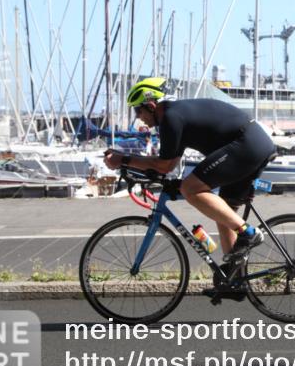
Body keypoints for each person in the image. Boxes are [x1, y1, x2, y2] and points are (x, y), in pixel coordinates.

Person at [104, 77, 277, 277]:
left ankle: (248, 233)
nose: (138, 117)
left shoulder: (171, 117)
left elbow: (163, 165)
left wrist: (123, 159)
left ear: (151, 106)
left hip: (247, 145)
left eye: (137, 110)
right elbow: (168, 164)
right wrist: (130, 163)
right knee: (223, 211)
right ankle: (234, 279)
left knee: (190, 188)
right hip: (252, 144)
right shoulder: (176, 115)